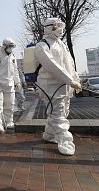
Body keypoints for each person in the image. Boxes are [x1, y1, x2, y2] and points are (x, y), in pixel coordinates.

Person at [34, 17, 81, 156]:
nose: (60, 28)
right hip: (50, 86)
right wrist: (69, 80)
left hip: (64, 85)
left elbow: (70, 65)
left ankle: (49, 135)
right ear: (49, 27)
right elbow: (52, 65)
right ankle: (65, 142)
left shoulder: (62, 44)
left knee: (60, 112)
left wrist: (75, 80)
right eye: (56, 26)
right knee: (58, 114)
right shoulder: (41, 46)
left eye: (61, 25)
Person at [0, 38, 21, 132]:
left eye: (12, 46)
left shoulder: (13, 57)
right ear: (5, 46)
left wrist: (17, 82)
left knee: (10, 104)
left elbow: (15, 71)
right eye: (10, 46)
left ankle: (9, 121)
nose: (11, 48)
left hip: (10, 84)